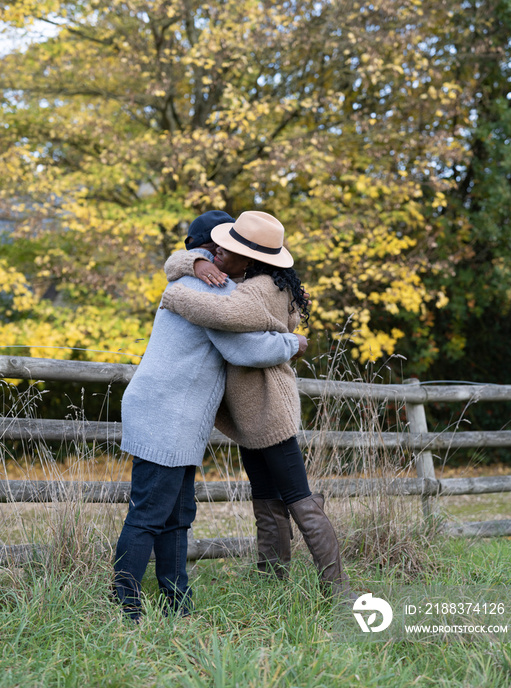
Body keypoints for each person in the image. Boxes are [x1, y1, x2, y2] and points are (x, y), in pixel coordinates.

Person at [114, 210, 306, 622]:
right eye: (217, 246)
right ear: (206, 250)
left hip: (173, 415)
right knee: (149, 513)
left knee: (177, 514)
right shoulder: (212, 293)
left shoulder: (200, 282)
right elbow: (245, 352)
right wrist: (292, 342)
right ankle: (125, 606)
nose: (222, 252)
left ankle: (176, 602)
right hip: (166, 412)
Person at [161, 210, 356, 601]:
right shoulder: (253, 280)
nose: (218, 253)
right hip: (252, 413)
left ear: (251, 258)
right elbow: (175, 262)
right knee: (266, 497)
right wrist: (195, 263)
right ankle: (273, 582)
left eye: (228, 250)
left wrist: (172, 294)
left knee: (299, 497)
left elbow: (221, 311)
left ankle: (339, 592)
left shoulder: (260, 289)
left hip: (270, 411)